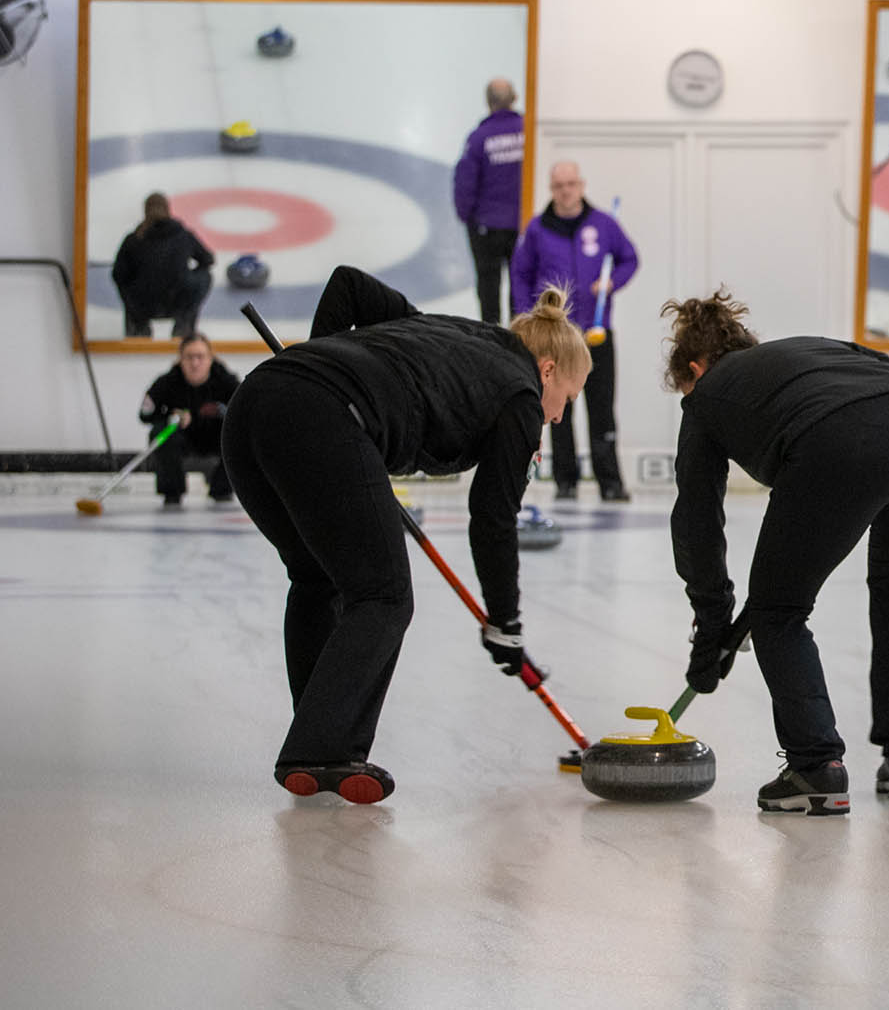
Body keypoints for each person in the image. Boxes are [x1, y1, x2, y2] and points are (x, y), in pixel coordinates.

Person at [222, 265, 590, 803]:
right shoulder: (521, 395)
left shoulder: (446, 330)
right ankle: (321, 748)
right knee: (384, 596)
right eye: (568, 398)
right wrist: (505, 623)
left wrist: (317, 362)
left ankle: (317, 737)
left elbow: (348, 283)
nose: (557, 417)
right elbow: (492, 514)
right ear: (548, 369)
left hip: (254, 406)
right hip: (324, 417)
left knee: (317, 577)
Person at [665, 290, 889, 816]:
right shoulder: (814, 349)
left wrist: (712, 626)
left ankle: (815, 766)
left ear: (695, 368)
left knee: (778, 609)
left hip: (842, 442)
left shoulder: (708, 394)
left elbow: (698, 522)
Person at [510, 160, 638, 501]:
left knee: (601, 406)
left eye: (570, 184)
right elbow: (519, 275)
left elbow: (629, 258)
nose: (565, 191)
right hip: (555, 337)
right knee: (556, 406)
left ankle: (609, 481)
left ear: (581, 185)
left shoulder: (604, 224)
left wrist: (612, 283)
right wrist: (527, 318)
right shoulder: (537, 230)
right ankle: (565, 480)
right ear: (551, 190)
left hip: (596, 331)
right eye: (558, 185)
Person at [453, 78, 527, 324]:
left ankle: (491, 339)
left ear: (488, 101)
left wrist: (468, 217)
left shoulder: (479, 138)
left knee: (488, 287)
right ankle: (520, 340)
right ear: (514, 98)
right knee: (521, 286)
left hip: (486, 228)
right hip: (522, 225)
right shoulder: (529, 132)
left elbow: (465, 183)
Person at [140, 333, 239, 507]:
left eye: (200, 357)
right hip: (183, 439)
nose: (195, 363)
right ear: (180, 359)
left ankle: (222, 489)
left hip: (216, 438)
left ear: (210, 358)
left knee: (240, 435)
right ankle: (172, 492)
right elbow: (145, 414)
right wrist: (170, 417)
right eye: (189, 357)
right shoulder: (167, 382)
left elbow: (244, 412)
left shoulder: (226, 381)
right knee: (159, 432)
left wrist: (223, 414)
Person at [112, 192, 213, 338]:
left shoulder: (134, 239)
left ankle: (138, 327)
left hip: (141, 305)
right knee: (205, 275)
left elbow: (118, 274)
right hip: (178, 301)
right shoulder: (183, 235)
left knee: (125, 282)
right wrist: (184, 270)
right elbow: (208, 260)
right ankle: (184, 324)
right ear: (167, 209)